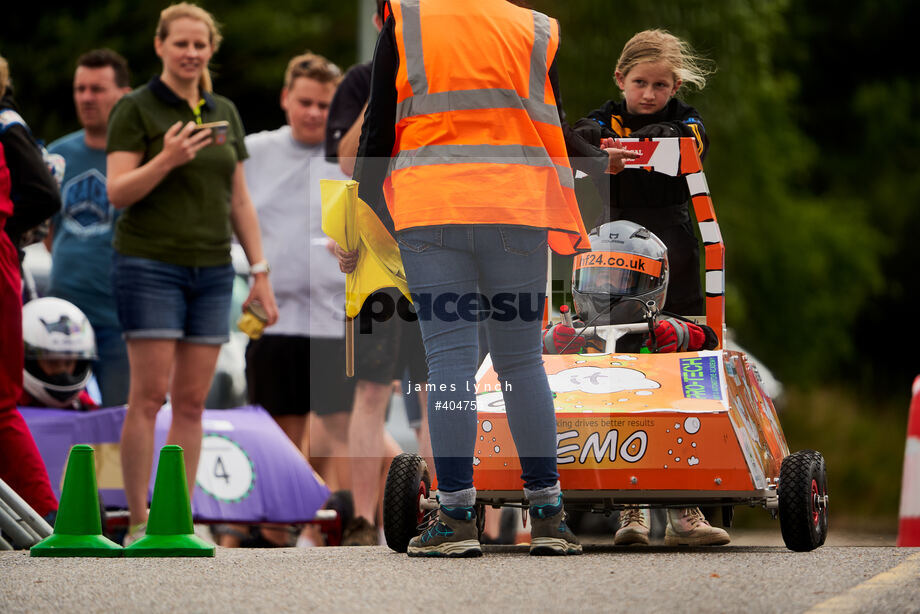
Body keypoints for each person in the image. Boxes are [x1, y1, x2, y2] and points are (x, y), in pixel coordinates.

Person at [353, 0, 638, 557]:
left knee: (451, 364)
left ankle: (457, 517)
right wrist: (596, 162)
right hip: (518, 208)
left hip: (432, 209)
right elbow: (550, 123)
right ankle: (551, 518)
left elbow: (379, 124)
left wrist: (366, 214)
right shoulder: (534, 27)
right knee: (521, 362)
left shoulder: (407, 19)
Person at [105, 2, 279, 545]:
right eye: (180, 43)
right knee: (149, 396)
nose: (190, 52)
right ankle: (138, 521)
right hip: (149, 265)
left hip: (211, 271)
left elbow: (241, 200)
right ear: (159, 46)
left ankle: (174, 520)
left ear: (211, 49)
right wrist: (167, 159)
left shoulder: (224, 108)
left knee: (193, 402)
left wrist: (259, 271)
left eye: (199, 44)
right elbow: (117, 191)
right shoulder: (135, 109)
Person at [213, 52, 353, 549]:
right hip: (271, 316)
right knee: (277, 427)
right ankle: (274, 521)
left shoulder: (350, 154)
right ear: (285, 100)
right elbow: (227, 212)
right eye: (305, 102)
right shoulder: (254, 151)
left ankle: (324, 520)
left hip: (337, 317)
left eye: (324, 104)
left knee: (337, 429)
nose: (314, 112)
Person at [543, 219, 730, 546]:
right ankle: (632, 510)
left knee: (683, 408)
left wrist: (680, 334)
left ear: (650, 283)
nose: (606, 287)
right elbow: (528, 354)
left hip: (657, 427)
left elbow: (711, 340)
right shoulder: (571, 331)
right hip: (587, 427)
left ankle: (683, 512)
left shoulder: (664, 327)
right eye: (599, 277)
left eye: (619, 279)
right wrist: (552, 340)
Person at [327, 0, 431, 547]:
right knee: (371, 389)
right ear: (381, 22)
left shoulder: (446, 67)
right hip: (374, 254)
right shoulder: (360, 81)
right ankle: (364, 518)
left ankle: (446, 504)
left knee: (442, 388)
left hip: (437, 242)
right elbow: (347, 161)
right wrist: (385, 89)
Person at [574, 29, 713, 317]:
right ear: (620, 79)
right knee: (606, 317)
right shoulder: (605, 116)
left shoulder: (685, 117)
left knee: (681, 321)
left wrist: (638, 141)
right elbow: (578, 136)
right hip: (610, 239)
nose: (649, 94)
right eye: (640, 83)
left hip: (672, 238)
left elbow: (693, 139)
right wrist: (598, 142)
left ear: (676, 86)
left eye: (660, 85)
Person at [45, 49, 132, 408]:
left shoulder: (140, 157)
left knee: (119, 419)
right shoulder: (57, 155)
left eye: (97, 89)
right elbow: (49, 234)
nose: (86, 98)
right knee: (57, 422)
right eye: (80, 89)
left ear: (124, 95)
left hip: (123, 320)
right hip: (62, 320)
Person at [0, 54, 62, 523]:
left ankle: (46, 518)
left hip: (3, 253)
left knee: (2, 403)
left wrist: (9, 229)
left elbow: (43, 194)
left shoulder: (6, 121)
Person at [19, 297, 98, 411]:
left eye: (68, 362)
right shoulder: (8, 404)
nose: (62, 372)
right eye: (52, 362)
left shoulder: (84, 405)